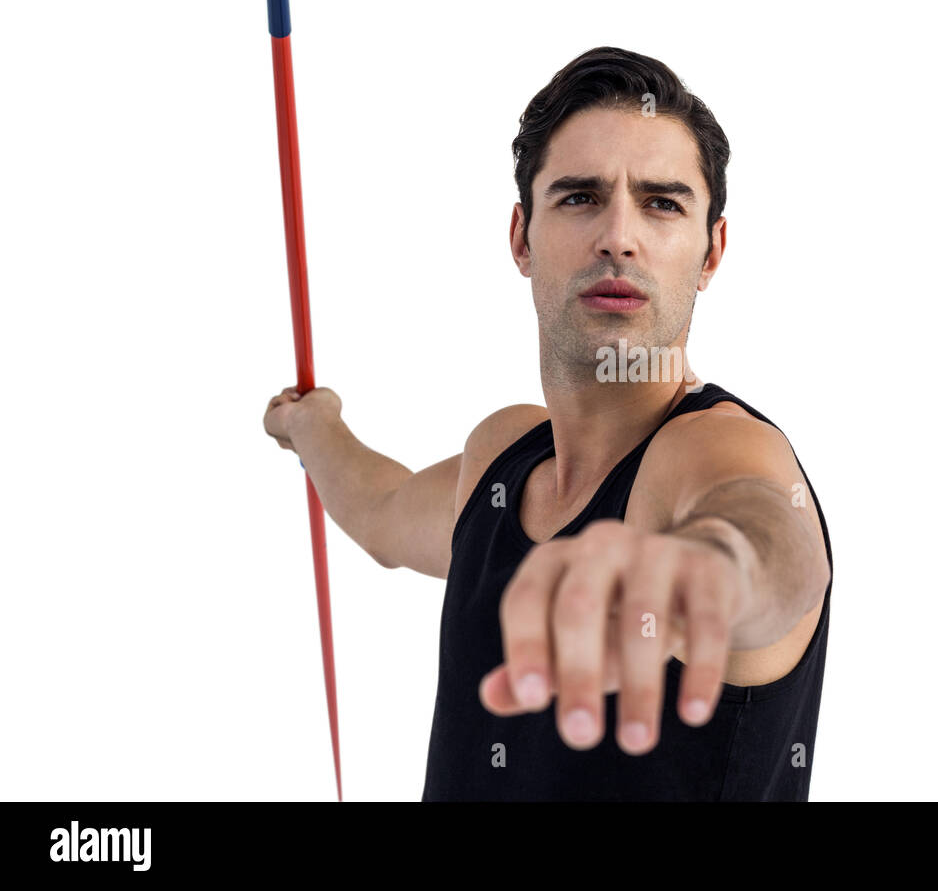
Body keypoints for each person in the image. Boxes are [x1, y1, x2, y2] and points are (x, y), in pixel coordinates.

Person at [262, 46, 833, 801]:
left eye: (662, 203)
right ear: (522, 240)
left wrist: (702, 568)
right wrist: (313, 425)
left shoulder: (712, 449)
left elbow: (775, 545)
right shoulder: (504, 457)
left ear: (710, 253)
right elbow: (382, 509)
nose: (618, 238)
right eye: (580, 198)